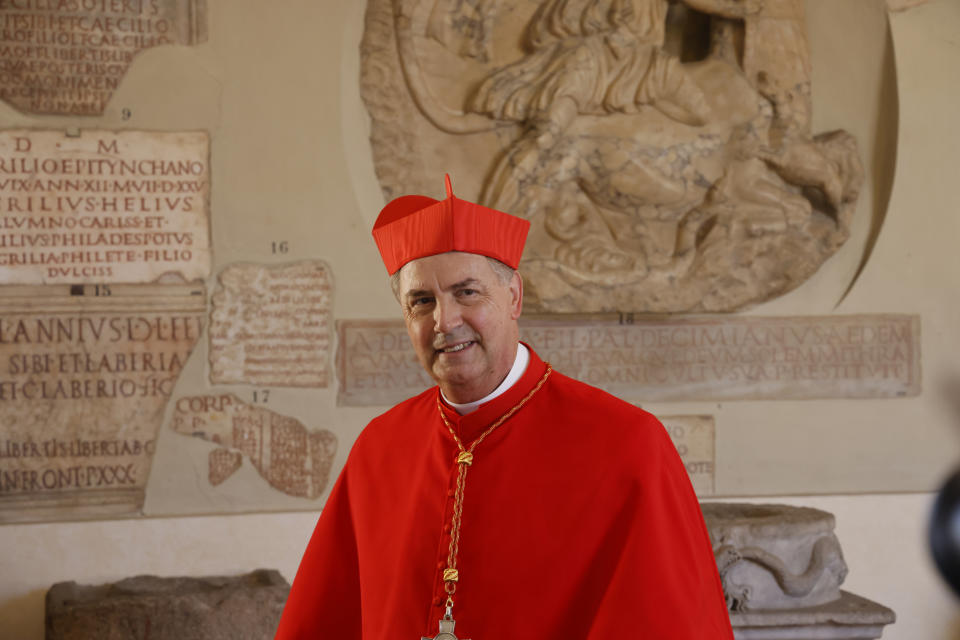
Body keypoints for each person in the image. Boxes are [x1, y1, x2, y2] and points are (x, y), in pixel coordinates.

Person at [274, 175, 733, 639]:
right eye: (422, 301)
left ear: (513, 296)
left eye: (466, 292)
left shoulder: (629, 444)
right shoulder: (379, 446)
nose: (445, 321)